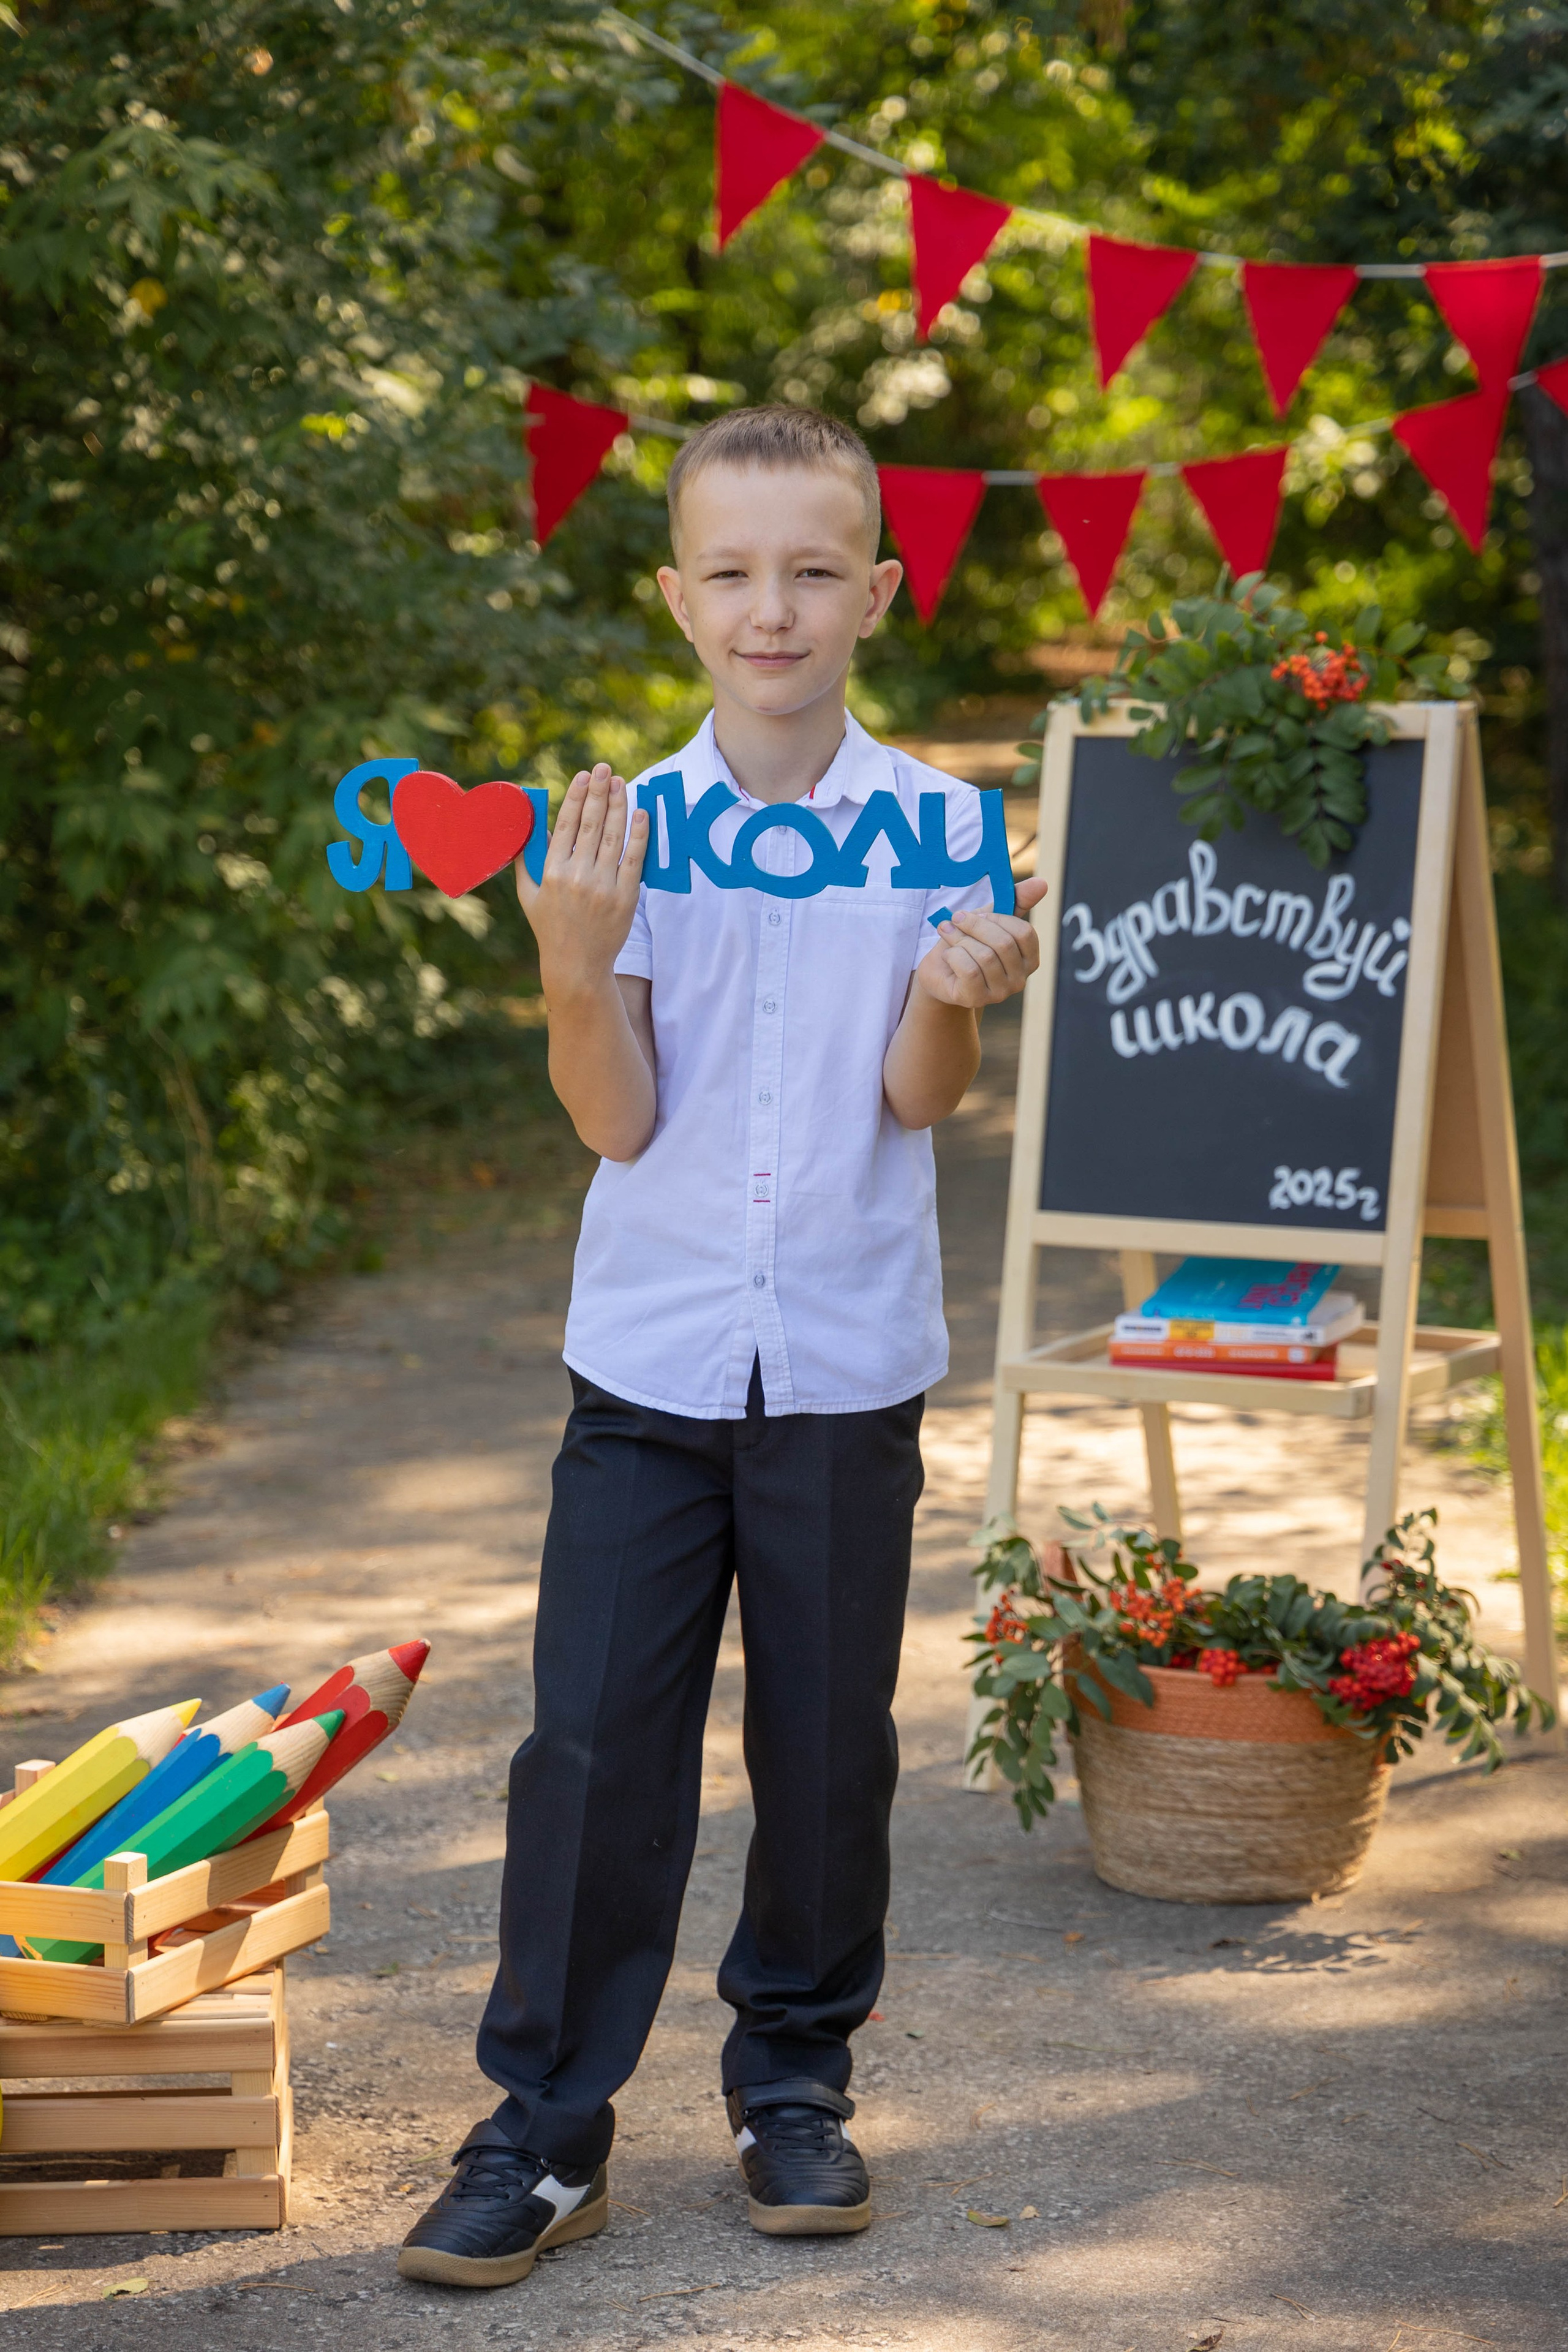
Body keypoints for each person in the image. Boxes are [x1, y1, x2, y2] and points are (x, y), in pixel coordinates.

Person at [398, 405, 1047, 2291]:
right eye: (737, 574)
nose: (776, 610)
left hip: (845, 1359)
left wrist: (951, 996)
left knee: (832, 1743)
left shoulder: (937, 824)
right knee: (595, 1744)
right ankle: (542, 2126)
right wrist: (571, 964)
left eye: (816, 570)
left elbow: (920, 1095)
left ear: (878, 592)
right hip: (653, 1363)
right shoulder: (621, 829)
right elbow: (613, 1119)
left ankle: (793, 2082)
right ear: (680, 597)